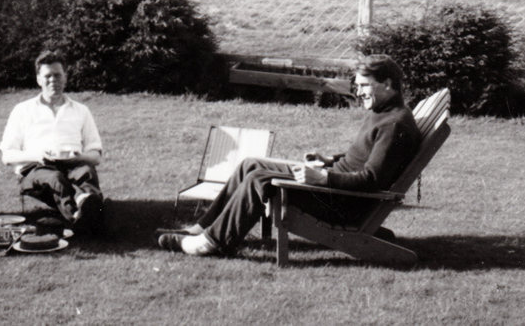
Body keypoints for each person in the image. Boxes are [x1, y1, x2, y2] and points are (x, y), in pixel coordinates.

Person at [158, 54, 422, 256]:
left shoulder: (393, 125)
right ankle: (203, 227)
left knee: (259, 179)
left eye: (364, 85)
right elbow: (367, 155)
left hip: (343, 203)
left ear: (387, 84)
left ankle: (211, 243)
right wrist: (330, 160)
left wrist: (322, 178)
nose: (359, 91)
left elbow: (373, 179)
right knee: (250, 164)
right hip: (336, 188)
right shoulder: (384, 113)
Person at [0, 50, 104, 233]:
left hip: (73, 164)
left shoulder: (80, 110)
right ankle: (80, 217)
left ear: (65, 78)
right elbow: (7, 156)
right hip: (36, 168)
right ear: (38, 79)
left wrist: (80, 157)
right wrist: (37, 156)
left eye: (57, 75)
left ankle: (88, 207)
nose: (53, 80)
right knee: (55, 179)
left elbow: (96, 156)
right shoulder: (23, 110)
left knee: (86, 171)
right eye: (47, 76)